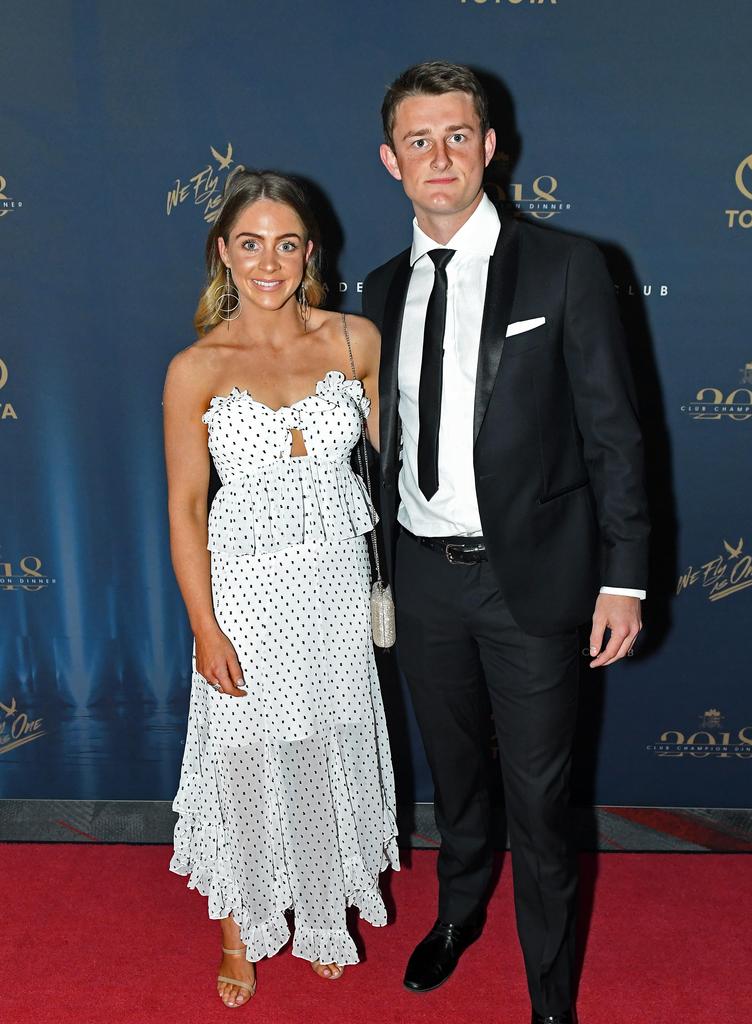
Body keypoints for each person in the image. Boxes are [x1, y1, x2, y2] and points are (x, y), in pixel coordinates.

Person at [362, 62, 649, 1024]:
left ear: (490, 148)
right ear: (391, 160)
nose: (438, 156)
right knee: (456, 778)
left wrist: (627, 580)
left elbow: (615, 433)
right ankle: (456, 914)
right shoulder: (381, 285)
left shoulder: (566, 266)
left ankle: (552, 996)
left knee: (541, 800)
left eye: (456, 137)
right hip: (422, 579)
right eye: (418, 140)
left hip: (532, 583)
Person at [163, 169, 398, 1009]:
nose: (270, 261)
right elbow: (187, 508)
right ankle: (239, 925)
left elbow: (408, 459)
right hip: (246, 595)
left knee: (321, 742)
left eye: (287, 243)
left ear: (310, 252)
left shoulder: (355, 342)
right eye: (251, 243)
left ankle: (325, 910)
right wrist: (205, 625)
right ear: (224, 252)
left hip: (333, 587)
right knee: (245, 755)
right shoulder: (197, 367)